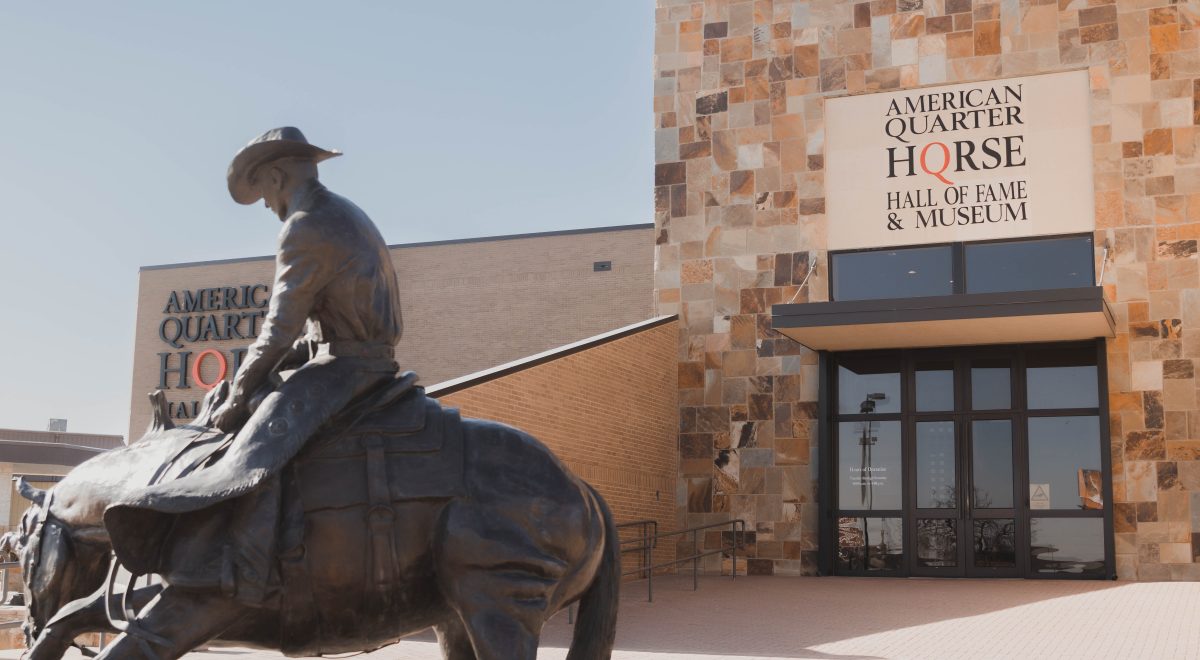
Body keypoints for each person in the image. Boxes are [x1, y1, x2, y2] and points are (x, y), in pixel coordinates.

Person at [208, 126, 404, 604]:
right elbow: (325, 323)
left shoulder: (305, 224)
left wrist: (236, 397)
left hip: (348, 368)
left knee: (258, 442)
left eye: (263, 193)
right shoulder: (343, 211)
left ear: (277, 177)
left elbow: (279, 329)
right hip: (355, 356)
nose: (265, 206)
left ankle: (251, 571)